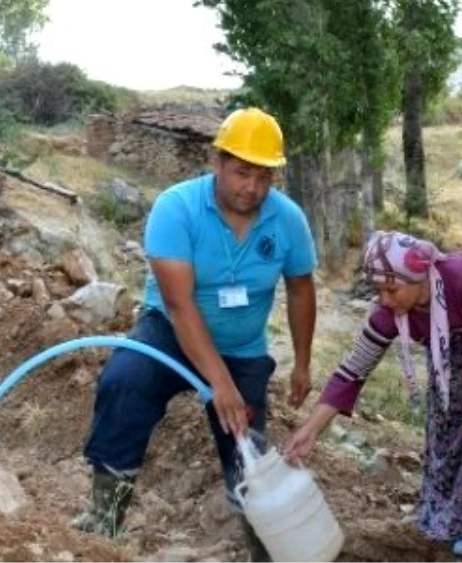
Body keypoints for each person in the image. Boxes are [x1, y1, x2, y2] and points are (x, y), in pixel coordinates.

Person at [73, 107, 318, 563]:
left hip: (242, 348)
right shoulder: (177, 208)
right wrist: (218, 384)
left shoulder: (287, 220)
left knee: (249, 451)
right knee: (124, 383)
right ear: (216, 161)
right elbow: (180, 305)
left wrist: (302, 362)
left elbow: (302, 288)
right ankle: (104, 519)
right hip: (170, 332)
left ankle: (265, 549)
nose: (252, 187)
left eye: (264, 177)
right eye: (242, 172)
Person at [283, 231, 462, 558]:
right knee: (448, 411)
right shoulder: (391, 311)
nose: (384, 299)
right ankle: (445, 507)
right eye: (378, 290)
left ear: (419, 276)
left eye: (391, 289)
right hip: (454, 336)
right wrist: (310, 430)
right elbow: (353, 370)